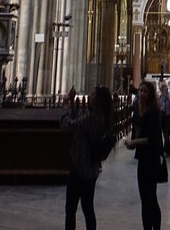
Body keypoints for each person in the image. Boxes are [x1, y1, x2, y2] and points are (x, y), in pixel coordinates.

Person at [60, 85, 113, 230]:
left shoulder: (93, 118)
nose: (89, 96)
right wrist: (72, 102)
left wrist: (65, 108)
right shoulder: (100, 117)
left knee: (71, 209)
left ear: (99, 100)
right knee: (87, 208)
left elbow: (68, 125)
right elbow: (79, 120)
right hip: (91, 168)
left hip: (80, 167)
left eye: (93, 95)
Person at [125, 80, 163, 230]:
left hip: (150, 160)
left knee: (150, 198)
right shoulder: (140, 110)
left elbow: (152, 139)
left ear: (151, 94)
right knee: (146, 198)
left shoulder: (152, 112)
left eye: (145, 91)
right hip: (144, 158)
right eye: (140, 90)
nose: (141, 93)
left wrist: (134, 143)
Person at [158, 82, 170, 157]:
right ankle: (167, 151)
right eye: (162, 88)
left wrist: (168, 99)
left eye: (164, 88)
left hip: (168, 116)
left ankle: (165, 149)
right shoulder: (160, 97)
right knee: (164, 134)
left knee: (167, 133)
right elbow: (159, 106)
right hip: (162, 116)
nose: (163, 90)